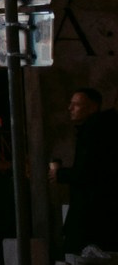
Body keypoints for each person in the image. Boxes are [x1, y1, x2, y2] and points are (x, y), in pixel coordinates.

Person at [55, 87, 116, 252]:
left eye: (76, 105)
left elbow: (86, 172)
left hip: (90, 217)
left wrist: (59, 173)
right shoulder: (100, 128)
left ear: (92, 107)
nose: (70, 108)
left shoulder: (93, 131)